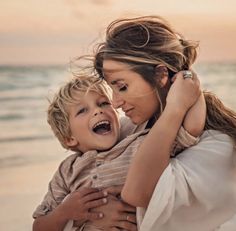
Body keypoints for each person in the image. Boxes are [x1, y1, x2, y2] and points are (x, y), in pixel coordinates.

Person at [92, 15, 236, 230]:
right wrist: (89, 213)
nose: (115, 102)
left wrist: (175, 109)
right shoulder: (130, 130)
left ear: (161, 74)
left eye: (122, 87)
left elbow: (137, 193)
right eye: (111, 89)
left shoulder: (216, 146)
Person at [32, 71, 202, 231]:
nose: (98, 110)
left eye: (103, 103)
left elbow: (191, 128)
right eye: (82, 110)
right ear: (70, 138)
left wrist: (188, 79)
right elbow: (39, 226)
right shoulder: (67, 171)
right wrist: (66, 213)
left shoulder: (140, 143)